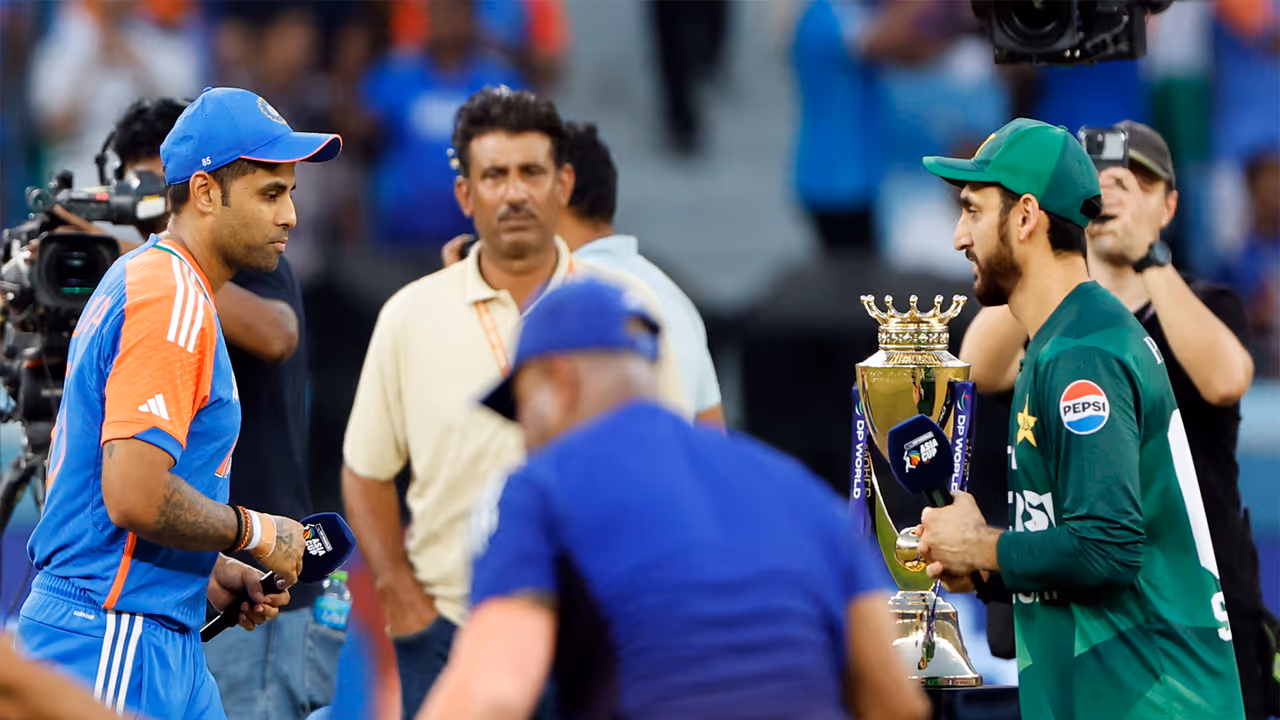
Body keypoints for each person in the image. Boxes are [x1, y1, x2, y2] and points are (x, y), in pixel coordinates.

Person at [414, 278, 926, 720]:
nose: (524, 434)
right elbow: (897, 703)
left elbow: (494, 694)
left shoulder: (539, 487)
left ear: (560, 382)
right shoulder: (801, 489)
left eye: (523, 405)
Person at [341, 86, 688, 719]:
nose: (515, 192)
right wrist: (400, 597)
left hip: (600, 630)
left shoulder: (628, 307)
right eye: (495, 175)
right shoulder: (410, 315)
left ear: (563, 184)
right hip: (450, 629)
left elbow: (676, 458)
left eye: (531, 172)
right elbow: (365, 472)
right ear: (465, 194)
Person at [15, 86, 342, 719]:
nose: (290, 217)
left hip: (152, 633)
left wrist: (208, 570)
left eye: (291, 194)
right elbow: (133, 494)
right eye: (270, 194)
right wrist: (255, 532)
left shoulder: (162, 282)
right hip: (112, 637)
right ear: (206, 193)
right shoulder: (171, 298)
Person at [914, 118, 1245, 718]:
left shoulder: (1082, 353)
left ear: (1025, 217)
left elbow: (1107, 548)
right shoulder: (1060, 339)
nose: (959, 236)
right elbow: (1084, 546)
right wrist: (986, 568)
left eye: (972, 210)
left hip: (1149, 700)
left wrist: (983, 546)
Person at [443, 120, 725, 424]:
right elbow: (711, 432)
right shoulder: (672, 296)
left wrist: (468, 296)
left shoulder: (560, 301)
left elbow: (486, 427)